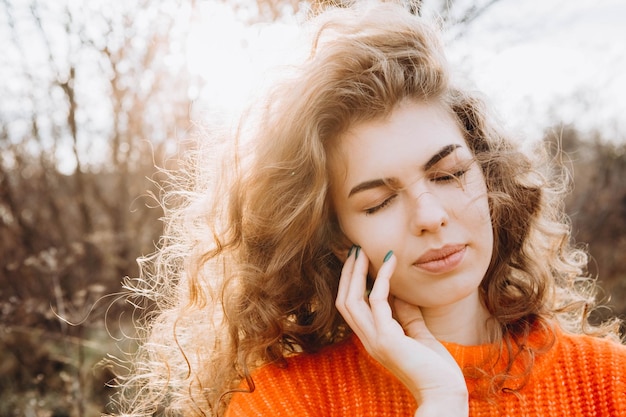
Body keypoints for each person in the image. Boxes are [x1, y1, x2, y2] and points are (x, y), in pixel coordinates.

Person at [111, 2, 626, 416]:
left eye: (448, 175)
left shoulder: (609, 384)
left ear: (489, 177)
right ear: (336, 236)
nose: (429, 215)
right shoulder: (283, 404)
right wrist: (442, 402)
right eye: (379, 202)